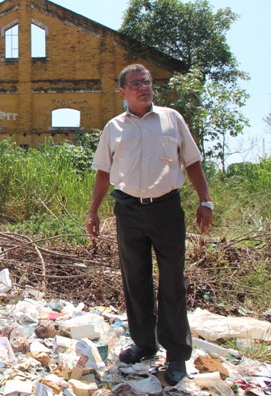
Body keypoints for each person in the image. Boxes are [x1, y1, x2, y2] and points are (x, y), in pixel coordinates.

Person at [86, 63, 214, 385]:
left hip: (167, 210)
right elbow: (103, 172)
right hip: (128, 210)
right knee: (135, 280)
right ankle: (144, 344)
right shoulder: (113, 128)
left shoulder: (172, 119)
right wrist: (93, 212)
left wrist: (205, 201)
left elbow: (193, 161)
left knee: (172, 281)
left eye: (147, 82)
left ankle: (176, 356)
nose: (144, 87)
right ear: (123, 92)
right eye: (136, 84)